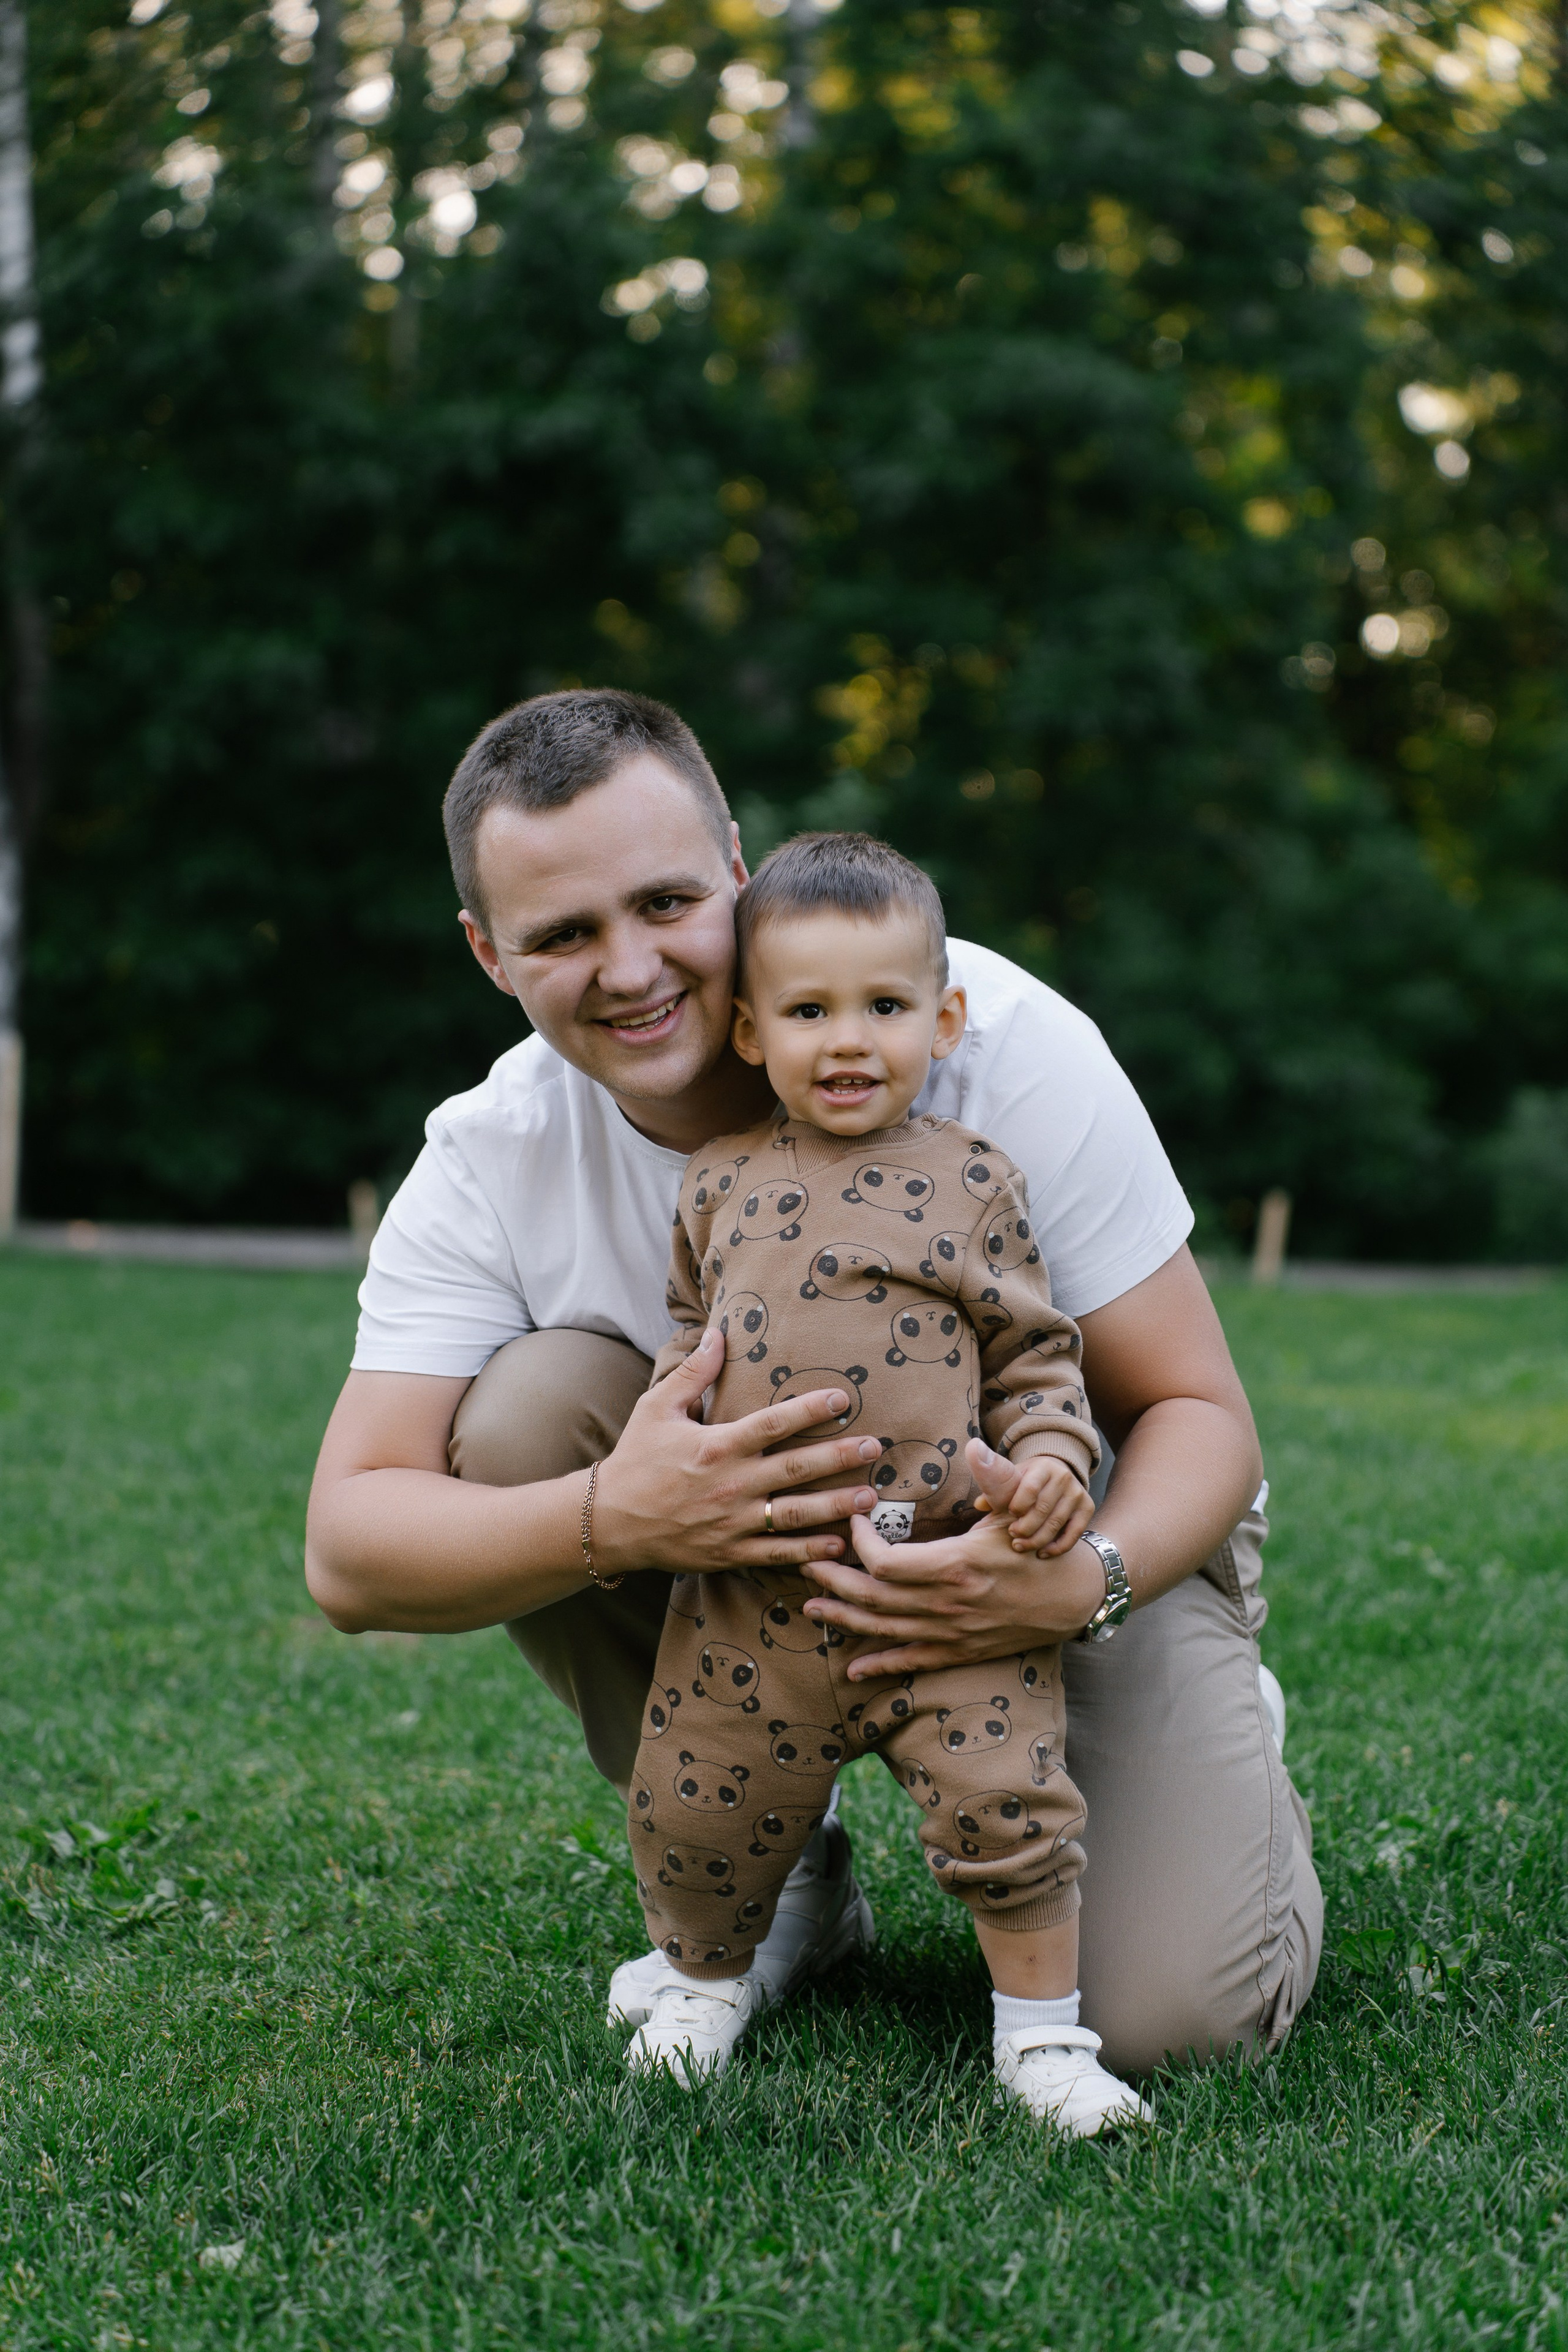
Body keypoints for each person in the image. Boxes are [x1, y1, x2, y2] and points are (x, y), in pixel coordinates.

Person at [304, 686, 1322, 2080]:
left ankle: (1208, 1757)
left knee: (1171, 2025)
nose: (631, 968)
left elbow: (1197, 1412)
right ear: (490, 955)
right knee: (526, 1417)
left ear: (734, 866)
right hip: (741, 1607)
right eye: (562, 934)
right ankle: (777, 1882)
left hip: (1062, 1527)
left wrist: (1079, 1575)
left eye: (664, 902)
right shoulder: (493, 1153)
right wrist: (621, 1511)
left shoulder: (987, 1039)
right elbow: (351, 1551)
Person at [621, 829, 1152, 2135]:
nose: (846, 1039)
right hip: (755, 1588)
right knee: (698, 1791)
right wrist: (653, 1445)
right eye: (808, 1010)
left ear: (942, 1016)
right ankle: (705, 1979)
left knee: (1008, 1801)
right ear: (749, 1031)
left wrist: (1045, 1468)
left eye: (882, 1006)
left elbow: (1037, 1357)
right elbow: (681, 1354)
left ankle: (1040, 2040)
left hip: (944, 1580)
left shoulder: (974, 1180)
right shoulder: (715, 1180)